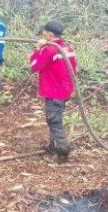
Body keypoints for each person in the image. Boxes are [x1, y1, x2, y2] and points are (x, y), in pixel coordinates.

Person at [30, 20, 77, 163]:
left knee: (54, 120)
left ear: (50, 35)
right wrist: (72, 89)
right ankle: (52, 146)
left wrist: (37, 50)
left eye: (44, 32)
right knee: (55, 118)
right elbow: (74, 69)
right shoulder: (68, 47)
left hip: (54, 91)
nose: (43, 35)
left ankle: (62, 153)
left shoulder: (50, 49)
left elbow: (34, 66)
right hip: (63, 90)